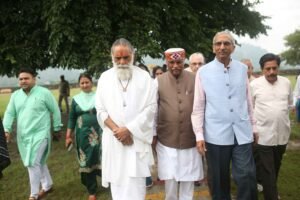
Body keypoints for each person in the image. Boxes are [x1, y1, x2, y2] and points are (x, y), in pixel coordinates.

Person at [191, 30, 257, 200]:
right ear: (213, 48)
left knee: (246, 175)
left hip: (242, 132)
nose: (222, 47)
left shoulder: (242, 69)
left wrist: (254, 126)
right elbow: (198, 107)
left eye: (226, 43)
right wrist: (199, 134)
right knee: (219, 180)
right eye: (218, 44)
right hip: (215, 135)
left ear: (233, 48)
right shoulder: (203, 72)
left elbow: (248, 101)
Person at [95, 38, 156, 200]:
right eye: (117, 58)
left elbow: (151, 108)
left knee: (136, 185)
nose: (122, 62)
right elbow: (100, 110)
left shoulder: (144, 77)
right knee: (118, 182)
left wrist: (128, 129)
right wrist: (118, 131)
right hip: (114, 140)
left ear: (133, 55)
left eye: (126, 57)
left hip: (136, 139)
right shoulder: (104, 78)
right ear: (112, 57)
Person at [3, 68, 62, 200]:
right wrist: (6, 129)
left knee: (32, 162)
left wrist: (57, 127)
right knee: (38, 162)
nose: (23, 81)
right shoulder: (15, 96)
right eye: (21, 79)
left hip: (41, 134)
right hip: (23, 136)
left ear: (34, 79)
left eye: (26, 78)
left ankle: (33, 195)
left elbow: (55, 110)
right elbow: (9, 113)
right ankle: (48, 185)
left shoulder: (44, 93)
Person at [154, 48, 203, 200]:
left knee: (188, 178)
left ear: (184, 62)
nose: (175, 65)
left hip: (190, 138)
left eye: (179, 62)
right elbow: (153, 110)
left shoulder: (195, 79)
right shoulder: (157, 81)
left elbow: (201, 106)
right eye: (171, 62)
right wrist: (154, 134)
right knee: (170, 178)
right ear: (166, 63)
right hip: (167, 139)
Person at [250, 53, 293, 200]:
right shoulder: (254, 85)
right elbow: (249, 109)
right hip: (263, 135)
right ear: (262, 69)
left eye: (274, 68)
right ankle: (272, 195)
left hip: (282, 134)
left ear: (278, 68)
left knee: (275, 165)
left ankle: (265, 185)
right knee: (268, 169)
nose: (271, 72)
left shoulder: (286, 82)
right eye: (268, 69)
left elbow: (289, 102)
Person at [65, 73, 102, 200]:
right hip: (82, 135)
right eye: (82, 83)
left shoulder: (99, 96)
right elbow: (71, 118)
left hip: (99, 133)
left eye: (87, 82)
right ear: (79, 85)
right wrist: (68, 135)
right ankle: (92, 190)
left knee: (101, 157)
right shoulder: (76, 99)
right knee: (86, 159)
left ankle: (109, 182)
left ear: (92, 83)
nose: (85, 85)